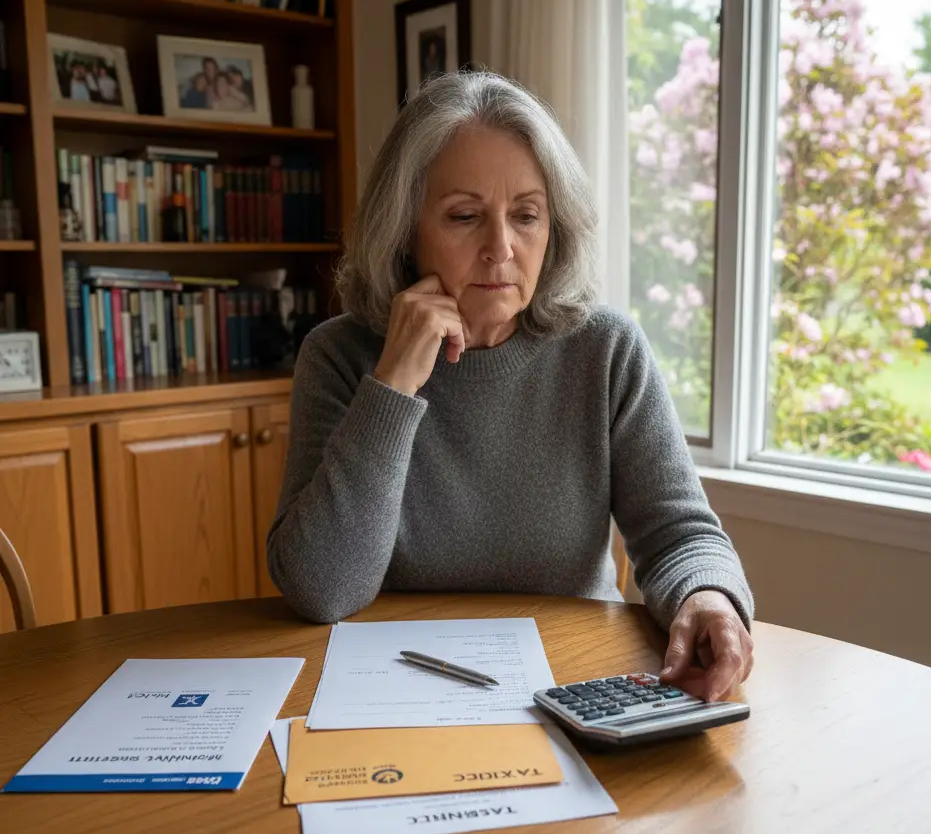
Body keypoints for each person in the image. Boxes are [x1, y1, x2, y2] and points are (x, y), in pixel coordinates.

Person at [268, 70, 755, 703]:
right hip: (394, 690)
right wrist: (392, 386)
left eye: (526, 216)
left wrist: (708, 594)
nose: (501, 248)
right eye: (465, 216)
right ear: (404, 228)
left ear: (555, 230)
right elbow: (321, 588)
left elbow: (679, 534)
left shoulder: (605, 350)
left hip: (574, 684)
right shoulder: (337, 355)